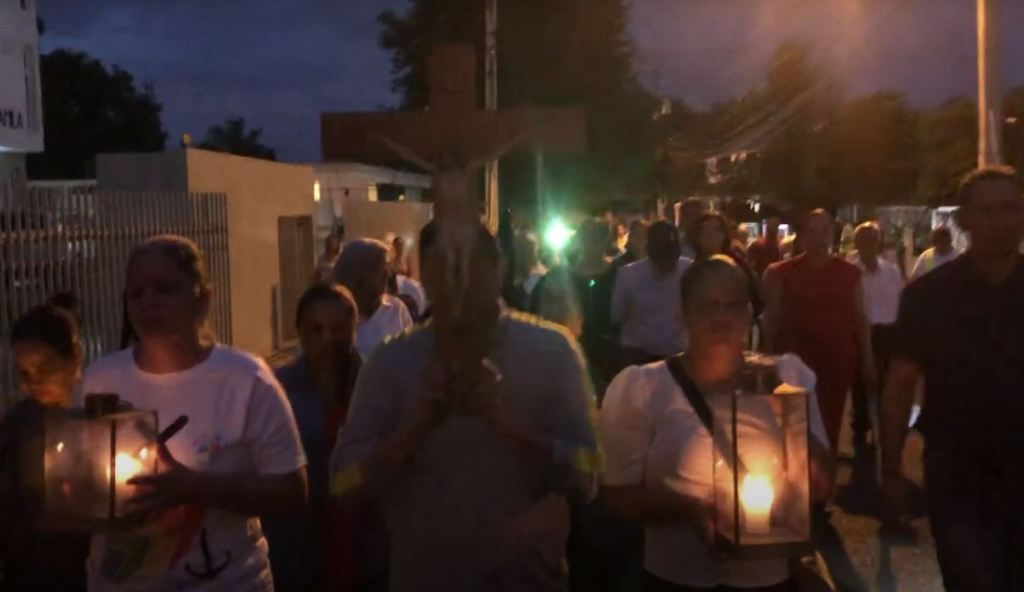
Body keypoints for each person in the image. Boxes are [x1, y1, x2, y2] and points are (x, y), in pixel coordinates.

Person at [330, 221, 599, 592]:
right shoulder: (390, 363)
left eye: (470, 265)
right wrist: (413, 429)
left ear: (499, 267)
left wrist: (512, 429)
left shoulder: (552, 352)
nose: (458, 282)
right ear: (424, 277)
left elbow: (589, 474)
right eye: (443, 267)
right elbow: (342, 484)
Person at [80, 235, 307, 591]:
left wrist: (194, 488)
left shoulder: (245, 379)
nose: (149, 301)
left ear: (202, 298)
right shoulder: (100, 379)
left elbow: (291, 491)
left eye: (165, 289)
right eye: (137, 293)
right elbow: (75, 478)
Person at [601, 256, 835, 592]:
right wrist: (689, 510)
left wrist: (783, 406)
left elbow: (823, 486)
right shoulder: (646, 389)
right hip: (677, 579)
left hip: (767, 581)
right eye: (708, 306)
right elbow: (617, 496)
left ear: (749, 312)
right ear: (685, 312)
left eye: (733, 306)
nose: (722, 317)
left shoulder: (787, 376)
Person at [882, 167, 1024, 592]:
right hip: (959, 478)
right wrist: (891, 470)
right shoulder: (928, 296)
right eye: (986, 211)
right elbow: (899, 387)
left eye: (1009, 209)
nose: (999, 222)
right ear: (964, 220)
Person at [263, 284, 368, 592]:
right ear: (300, 332)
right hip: (296, 557)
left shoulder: (377, 385)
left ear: (355, 327)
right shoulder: (277, 391)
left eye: (337, 329)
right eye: (316, 330)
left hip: (363, 552)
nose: (327, 340)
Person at [763, 210, 875, 451]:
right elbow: (771, 319)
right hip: (795, 360)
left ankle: (826, 467)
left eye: (824, 231)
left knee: (828, 421)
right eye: (811, 231)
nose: (819, 238)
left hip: (836, 359)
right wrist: (766, 359)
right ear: (801, 237)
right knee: (793, 424)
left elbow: (860, 317)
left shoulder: (849, 274)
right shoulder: (781, 273)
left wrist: (867, 359)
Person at [0, 295, 90, 592]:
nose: (32, 383)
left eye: (43, 369)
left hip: (91, 570)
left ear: (75, 358)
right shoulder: (18, 424)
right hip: (29, 571)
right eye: (24, 373)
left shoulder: (102, 421)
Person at [848, 222, 903, 457]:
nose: (871, 244)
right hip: (864, 333)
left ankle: (886, 432)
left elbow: (899, 300)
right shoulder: (851, 272)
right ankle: (860, 432)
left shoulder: (891, 270)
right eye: (866, 239)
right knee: (862, 385)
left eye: (874, 239)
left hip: (888, 333)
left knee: (889, 386)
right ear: (858, 243)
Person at [612, 220, 693, 366]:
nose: (666, 264)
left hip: (677, 355)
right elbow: (617, 315)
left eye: (670, 258)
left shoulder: (690, 271)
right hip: (638, 355)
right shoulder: (627, 275)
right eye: (661, 258)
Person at [334, 238, 414, 359]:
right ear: (359, 273)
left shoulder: (397, 309)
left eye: (388, 266)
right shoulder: (335, 315)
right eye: (382, 268)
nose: (388, 274)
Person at [692, 212, 763, 322]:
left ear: (724, 234)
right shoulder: (693, 267)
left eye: (716, 230)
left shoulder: (737, 264)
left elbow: (754, 299)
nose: (710, 235)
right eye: (704, 230)